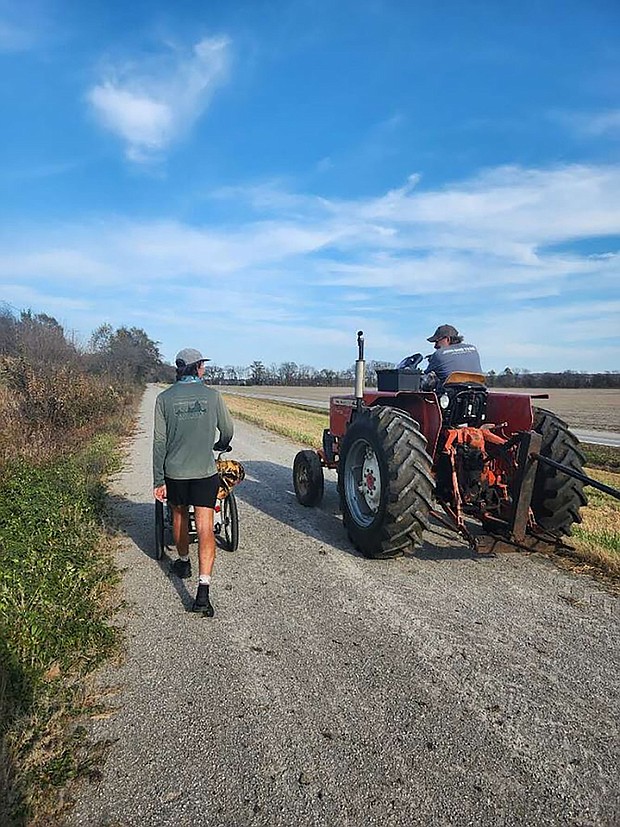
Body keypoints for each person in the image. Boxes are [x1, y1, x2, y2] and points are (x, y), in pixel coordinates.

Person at [153, 347, 234, 616]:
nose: (204, 369)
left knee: (178, 518)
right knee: (205, 527)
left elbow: (159, 442)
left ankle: (184, 561)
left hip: (175, 473)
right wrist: (220, 444)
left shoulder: (164, 399)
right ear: (197, 367)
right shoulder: (212, 396)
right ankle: (203, 592)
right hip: (204, 472)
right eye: (202, 365)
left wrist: (158, 478)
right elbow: (228, 430)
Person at [422, 324, 482, 389]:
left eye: (437, 341)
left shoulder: (439, 354)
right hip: (479, 393)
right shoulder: (473, 349)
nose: (435, 346)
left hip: (451, 395)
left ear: (447, 339)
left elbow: (425, 378)